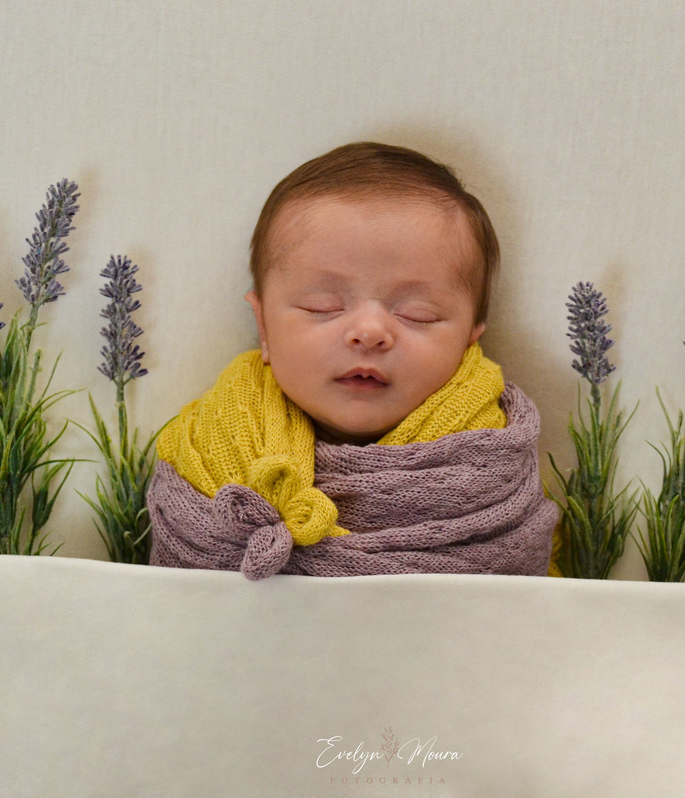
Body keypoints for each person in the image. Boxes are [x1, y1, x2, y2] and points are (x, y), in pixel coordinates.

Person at [147, 142, 557, 579]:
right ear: (264, 328)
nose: (370, 331)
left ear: (469, 343)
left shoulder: (492, 469)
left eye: (417, 313)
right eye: (324, 306)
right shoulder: (212, 447)